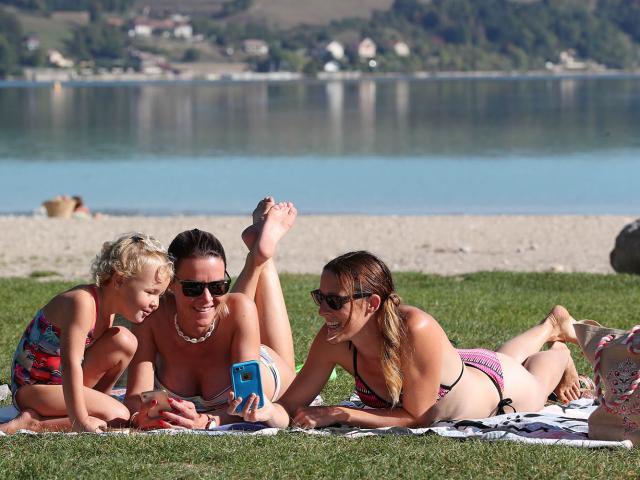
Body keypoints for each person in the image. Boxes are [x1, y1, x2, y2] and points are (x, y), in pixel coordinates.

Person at [229, 250, 586, 429]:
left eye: (334, 301)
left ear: (370, 304)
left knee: (538, 385)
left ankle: (557, 346)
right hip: (462, 367)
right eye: (319, 297)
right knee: (504, 357)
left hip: (495, 390)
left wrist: (340, 413)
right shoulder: (333, 341)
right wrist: (266, 412)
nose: (323, 310)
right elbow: (290, 407)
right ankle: (549, 325)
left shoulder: (417, 328)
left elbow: (418, 417)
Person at [125, 198, 297, 429]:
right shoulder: (153, 317)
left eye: (218, 286)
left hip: (264, 369)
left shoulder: (240, 308)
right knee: (231, 306)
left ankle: (262, 257)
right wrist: (151, 415)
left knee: (240, 310)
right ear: (171, 284)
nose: (206, 297)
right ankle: (258, 253)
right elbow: (137, 396)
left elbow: (250, 403)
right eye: (192, 288)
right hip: (231, 334)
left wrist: (207, 421)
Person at [0, 233, 173, 434]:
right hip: (32, 391)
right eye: (151, 292)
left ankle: (91, 409)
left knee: (124, 340)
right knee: (119, 415)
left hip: (57, 387)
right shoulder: (82, 303)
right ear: (119, 280)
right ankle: (34, 424)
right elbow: (70, 364)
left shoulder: (108, 312)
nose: (156, 303)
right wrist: (80, 421)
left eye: (159, 295)